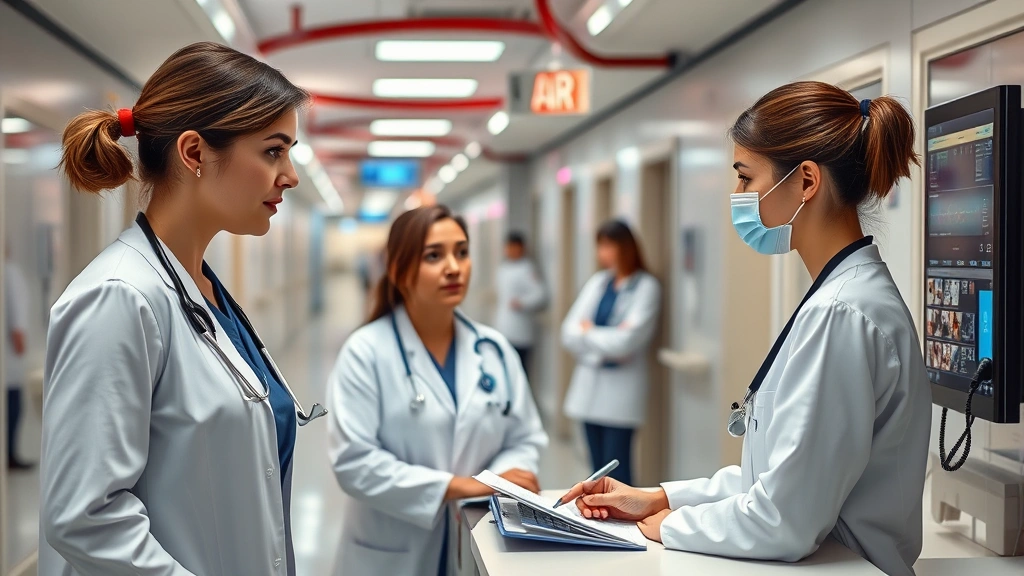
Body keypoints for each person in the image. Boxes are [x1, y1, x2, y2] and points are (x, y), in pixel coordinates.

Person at [557, 82, 931, 576]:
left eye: (745, 177)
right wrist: (657, 497)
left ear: (806, 182)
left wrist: (671, 525)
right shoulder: (840, 296)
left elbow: (784, 520)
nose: (737, 197)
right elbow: (777, 481)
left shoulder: (843, 314)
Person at [40, 42, 325, 575]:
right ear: (194, 153)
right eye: (272, 151)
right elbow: (84, 516)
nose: (290, 175)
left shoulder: (202, 290)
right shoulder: (118, 299)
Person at [326, 205, 548, 576]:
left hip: (481, 538)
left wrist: (497, 479)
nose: (454, 267)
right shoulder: (365, 352)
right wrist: (460, 486)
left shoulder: (493, 349)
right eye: (434, 255)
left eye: (462, 252)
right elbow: (354, 461)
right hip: (392, 551)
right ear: (398, 270)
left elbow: (525, 439)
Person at [561, 220, 661, 486]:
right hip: (590, 391)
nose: (601, 253)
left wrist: (588, 333)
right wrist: (606, 339)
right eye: (599, 246)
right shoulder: (599, 282)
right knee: (595, 471)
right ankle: (598, 523)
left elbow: (627, 342)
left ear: (625, 247)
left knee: (617, 470)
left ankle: (621, 525)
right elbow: (568, 332)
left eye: (607, 246)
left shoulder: (647, 287)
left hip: (620, 395)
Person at [494, 231, 546, 373]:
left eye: (514, 247)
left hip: (521, 330)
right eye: (508, 247)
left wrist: (522, 303)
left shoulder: (527, 268)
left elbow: (540, 294)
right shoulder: (503, 268)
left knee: (520, 370)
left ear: (522, 248)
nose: (510, 250)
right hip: (504, 326)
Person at [3, 244, 32, 470]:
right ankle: (9, 455)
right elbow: (16, 313)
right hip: (10, 355)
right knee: (12, 405)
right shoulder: (10, 272)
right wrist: (20, 340)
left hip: (8, 356)